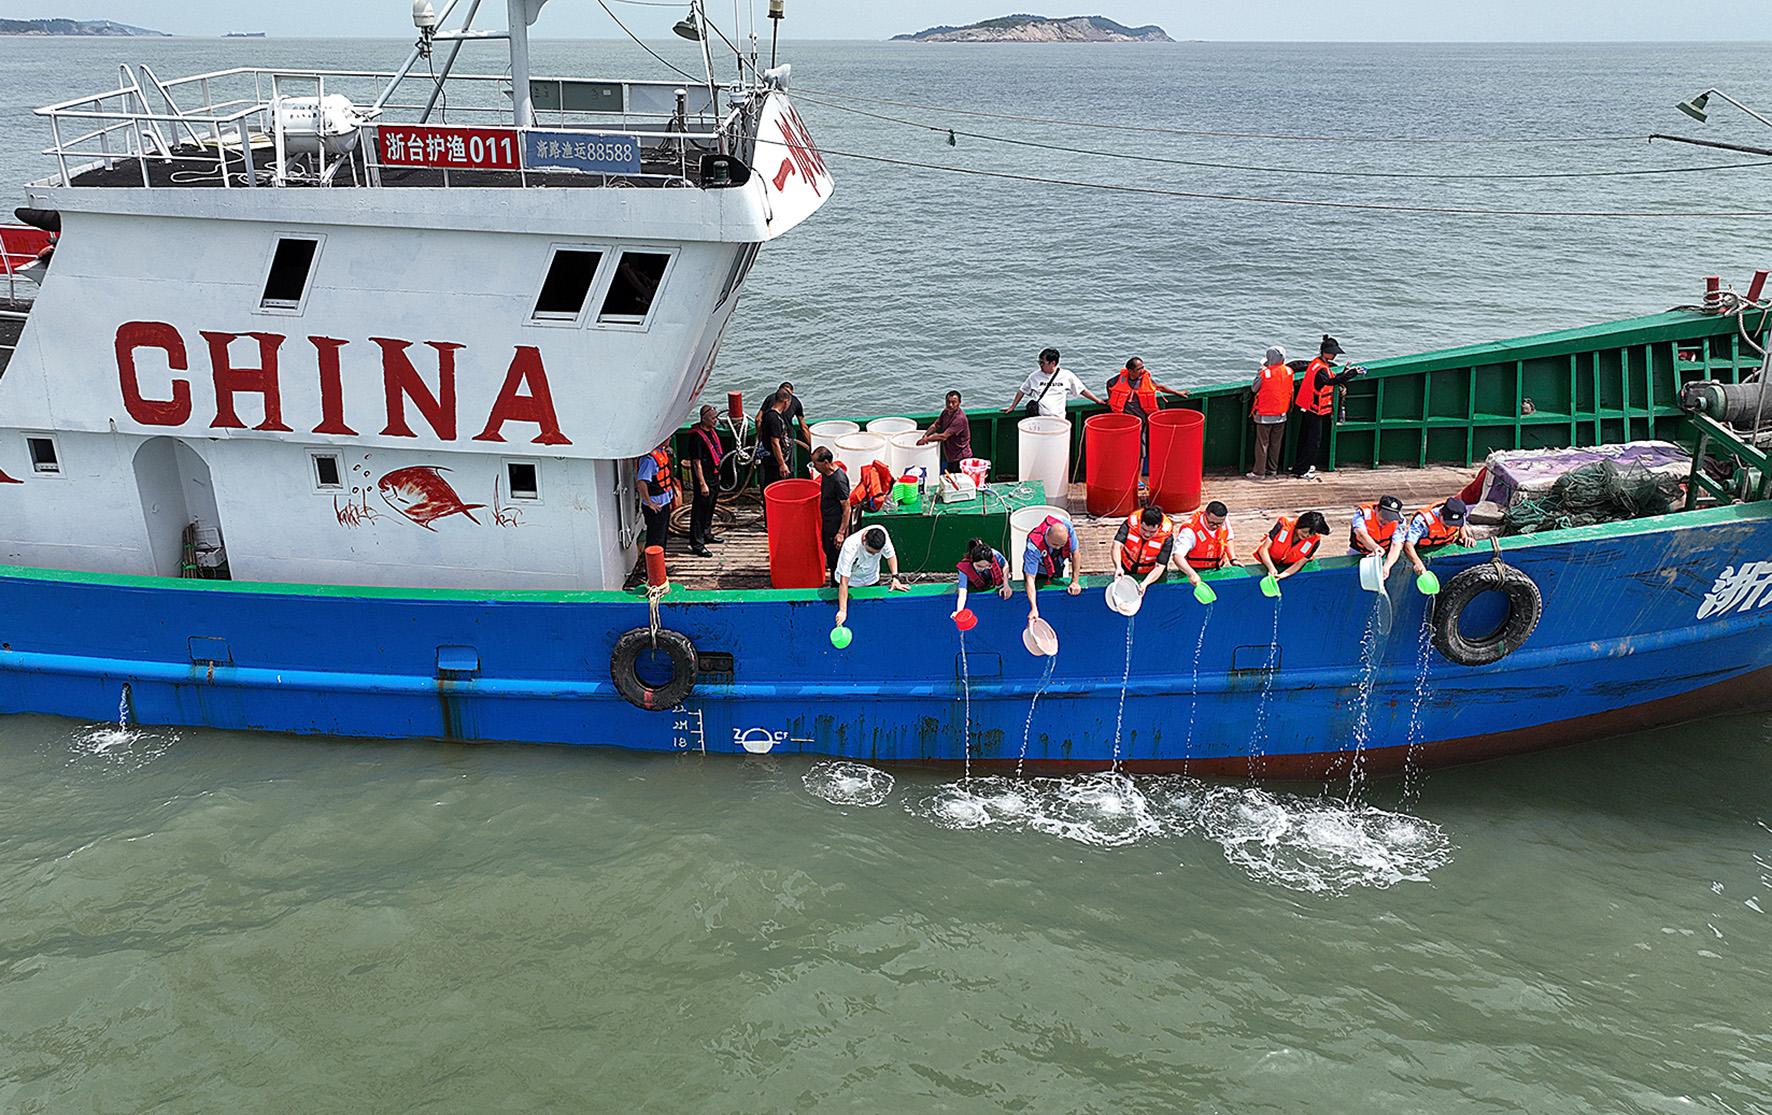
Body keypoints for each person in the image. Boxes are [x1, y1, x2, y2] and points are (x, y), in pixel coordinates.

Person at [1292, 334, 1364, 480]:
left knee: (1305, 438)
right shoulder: (1321, 369)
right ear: (1325, 352)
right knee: (1313, 441)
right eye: (1332, 353)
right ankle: (1302, 470)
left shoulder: (1317, 363)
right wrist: (1352, 373)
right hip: (1314, 409)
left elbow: (1331, 378)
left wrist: (1344, 373)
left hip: (1307, 406)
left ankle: (1301, 465)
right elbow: (1330, 382)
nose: (1334, 356)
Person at [833, 525, 908, 627]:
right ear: (864, 540)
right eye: (870, 552)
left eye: (876, 553)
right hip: (849, 584)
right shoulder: (850, 546)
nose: (872, 555)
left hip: (871, 579)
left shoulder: (882, 534)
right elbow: (843, 582)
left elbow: (891, 556)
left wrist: (895, 578)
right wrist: (842, 610)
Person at [1385, 497, 1471, 580]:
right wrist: (1417, 563)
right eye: (1448, 522)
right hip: (1424, 550)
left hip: (1446, 546)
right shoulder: (1423, 521)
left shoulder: (1459, 513)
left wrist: (1464, 536)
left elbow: (1461, 524)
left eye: (1455, 523)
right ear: (1441, 513)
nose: (1451, 525)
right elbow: (1408, 545)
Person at [1006, 347, 1103, 419]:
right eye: (1039, 362)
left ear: (1053, 363)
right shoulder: (1034, 376)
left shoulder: (1067, 375)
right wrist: (1012, 406)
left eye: (1043, 363)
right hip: (1039, 419)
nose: (1040, 365)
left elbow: (1082, 390)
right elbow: (1022, 391)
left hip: (1058, 419)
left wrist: (1097, 400)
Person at [630, 441, 677, 583]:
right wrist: (649, 502)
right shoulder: (649, 460)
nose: (669, 438)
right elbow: (641, 482)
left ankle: (660, 565)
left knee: (662, 536)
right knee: (655, 538)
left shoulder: (662, 452)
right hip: (655, 506)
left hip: (664, 501)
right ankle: (651, 571)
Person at [1022, 516, 1083, 621]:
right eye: (1055, 544)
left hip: (1057, 564)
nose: (1058, 547)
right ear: (1047, 536)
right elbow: (1030, 578)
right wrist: (1033, 608)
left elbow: (1075, 553)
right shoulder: (1033, 547)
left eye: (1061, 545)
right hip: (1040, 571)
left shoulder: (1067, 526)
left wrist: (1075, 581)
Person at [683, 405, 724, 556]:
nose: (715, 420)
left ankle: (707, 533)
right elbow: (696, 463)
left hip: (714, 476)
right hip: (704, 479)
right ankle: (697, 543)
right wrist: (702, 484)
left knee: (710, 507)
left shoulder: (711, 432)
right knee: (699, 511)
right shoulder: (697, 437)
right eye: (713, 418)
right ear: (704, 418)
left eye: (716, 417)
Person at [1247, 346, 1292, 480]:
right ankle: (1272, 469)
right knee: (1275, 444)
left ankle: (1259, 472)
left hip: (1264, 415)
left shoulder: (1265, 373)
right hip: (1281, 414)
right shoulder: (1289, 371)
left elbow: (1254, 388)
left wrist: (1260, 371)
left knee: (1262, 444)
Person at [1114, 505, 1175, 595]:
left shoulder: (1167, 537)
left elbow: (1160, 566)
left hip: (1152, 574)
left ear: (1159, 528)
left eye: (1152, 532)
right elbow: (1116, 545)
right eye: (1144, 529)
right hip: (1126, 568)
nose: (1147, 534)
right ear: (1140, 523)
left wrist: (1145, 583)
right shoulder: (1129, 525)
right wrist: (1118, 567)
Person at [1173, 500, 1234, 591]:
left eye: (1218, 524)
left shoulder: (1223, 521)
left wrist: (1233, 559)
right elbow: (1177, 556)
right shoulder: (1189, 531)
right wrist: (1192, 574)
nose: (1215, 526)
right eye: (1211, 523)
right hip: (1194, 572)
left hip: (1217, 569)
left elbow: (1228, 538)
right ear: (1205, 515)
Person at [1254, 510, 1328, 583]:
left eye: (1311, 534)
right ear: (1299, 524)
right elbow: (1264, 549)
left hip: (1290, 565)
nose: (1306, 535)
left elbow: (1299, 563)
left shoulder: (1315, 542)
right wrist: (1271, 568)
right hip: (1268, 561)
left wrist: (1282, 575)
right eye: (1304, 532)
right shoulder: (1282, 525)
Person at [811, 447, 850, 577]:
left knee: (836, 560)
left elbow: (847, 508)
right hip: (827, 522)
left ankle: (837, 585)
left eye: (816, 463)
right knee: (828, 552)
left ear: (826, 462)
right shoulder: (825, 473)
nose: (814, 466)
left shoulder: (838, 480)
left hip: (835, 525)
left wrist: (841, 533)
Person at [953, 536, 1013, 618]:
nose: (983, 569)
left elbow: (1005, 564)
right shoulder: (964, 568)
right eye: (979, 566)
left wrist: (1006, 584)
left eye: (987, 566)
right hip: (977, 585)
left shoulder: (995, 554)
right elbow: (963, 591)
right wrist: (959, 611)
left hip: (995, 583)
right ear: (972, 561)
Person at [918, 390, 973, 473]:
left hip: (960, 456)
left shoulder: (960, 418)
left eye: (954, 402)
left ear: (959, 403)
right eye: (948, 402)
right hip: (950, 455)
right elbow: (936, 425)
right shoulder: (945, 412)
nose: (950, 405)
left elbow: (944, 436)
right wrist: (925, 435)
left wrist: (926, 439)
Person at [758, 389, 792, 495]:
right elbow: (774, 442)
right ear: (786, 401)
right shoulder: (774, 419)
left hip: (776, 459)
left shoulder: (771, 415)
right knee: (776, 487)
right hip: (774, 462)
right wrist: (782, 464)